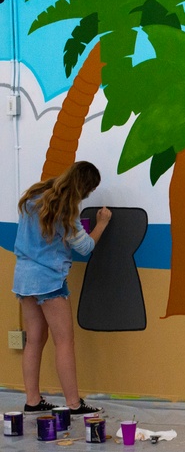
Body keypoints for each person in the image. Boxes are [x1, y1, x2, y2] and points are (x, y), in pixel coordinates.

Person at [13, 161, 111, 415]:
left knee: (34, 341)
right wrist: (101, 223)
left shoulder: (34, 196)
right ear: (84, 188)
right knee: (64, 341)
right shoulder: (65, 210)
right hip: (49, 280)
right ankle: (74, 404)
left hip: (24, 278)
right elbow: (85, 248)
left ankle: (32, 401)